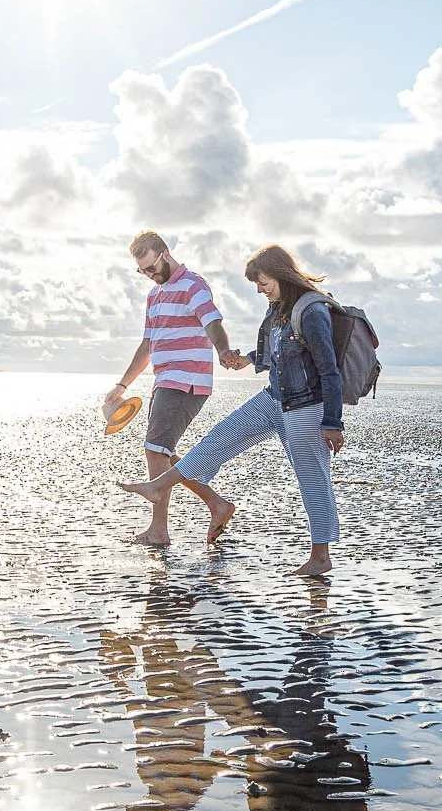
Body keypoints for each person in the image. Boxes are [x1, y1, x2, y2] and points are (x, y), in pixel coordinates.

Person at [119, 243, 346, 576]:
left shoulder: (312, 310)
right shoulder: (278, 307)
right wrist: (244, 360)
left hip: (306, 407)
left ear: (281, 274)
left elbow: (329, 369)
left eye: (263, 282)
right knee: (218, 438)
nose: (259, 289)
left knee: (312, 480)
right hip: (274, 399)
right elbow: (274, 354)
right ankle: (159, 485)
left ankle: (320, 556)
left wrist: (332, 422)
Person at [105, 232, 239, 547]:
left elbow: (213, 322)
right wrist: (123, 384)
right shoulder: (155, 296)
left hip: (187, 379)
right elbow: (148, 344)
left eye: (152, 267)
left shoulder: (193, 285)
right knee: (161, 452)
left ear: (165, 253)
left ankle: (159, 530)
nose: (150, 275)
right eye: (143, 271)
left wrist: (223, 351)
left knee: (155, 449)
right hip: (164, 380)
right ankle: (216, 504)